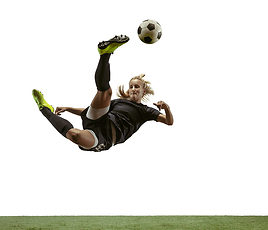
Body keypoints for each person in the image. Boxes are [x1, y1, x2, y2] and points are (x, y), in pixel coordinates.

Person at [32, 35, 174, 152]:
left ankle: (44, 108)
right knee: (106, 92)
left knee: (75, 136)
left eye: (137, 86)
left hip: (104, 137)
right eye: (131, 86)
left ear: (144, 91)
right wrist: (68, 108)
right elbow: (90, 111)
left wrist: (167, 108)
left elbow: (169, 122)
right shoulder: (119, 102)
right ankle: (105, 53)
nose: (133, 89)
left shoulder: (146, 111)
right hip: (102, 119)